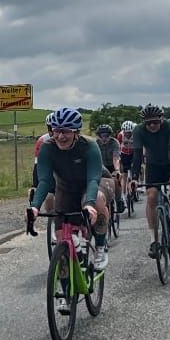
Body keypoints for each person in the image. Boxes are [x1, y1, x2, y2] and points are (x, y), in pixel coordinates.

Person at [25, 107, 110, 270]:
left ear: (76, 132)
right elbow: (44, 181)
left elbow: (93, 179)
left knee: (98, 200)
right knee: (61, 243)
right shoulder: (47, 147)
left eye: (66, 132)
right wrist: (34, 207)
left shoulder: (89, 146)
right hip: (66, 189)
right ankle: (65, 293)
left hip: (91, 185)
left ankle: (100, 247)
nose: (60, 136)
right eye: (56, 131)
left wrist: (90, 204)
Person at [132, 102, 170, 252]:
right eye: (148, 123)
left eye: (155, 122)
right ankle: (153, 241)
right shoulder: (138, 130)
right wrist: (134, 177)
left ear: (161, 119)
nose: (152, 126)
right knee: (151, 196)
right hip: (153, 165)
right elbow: (137, 155)